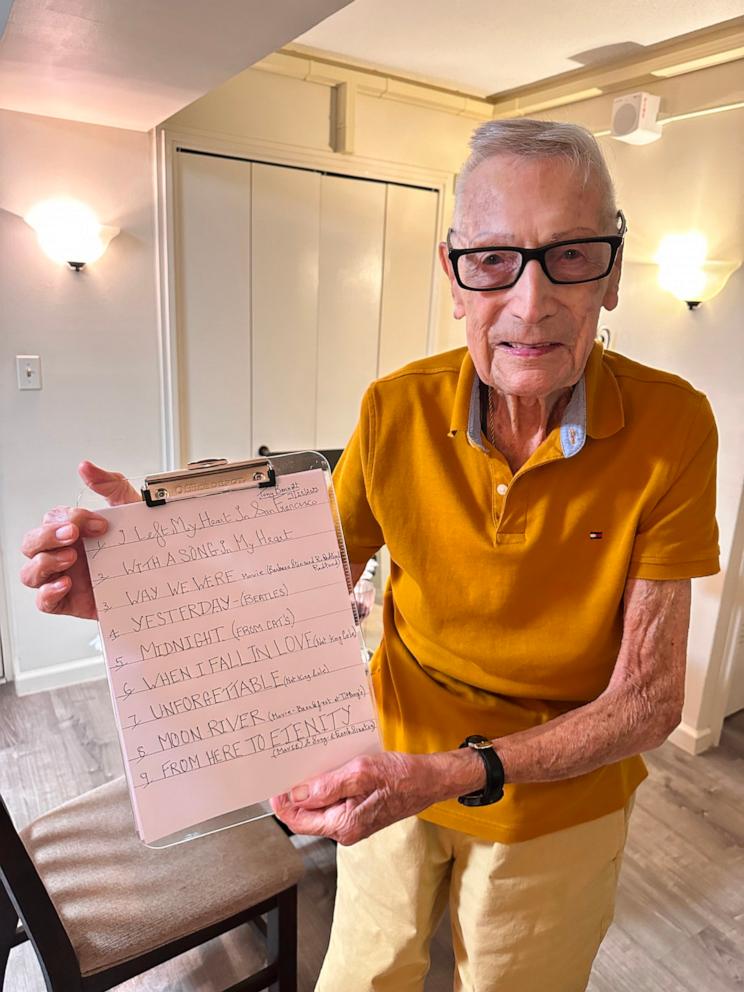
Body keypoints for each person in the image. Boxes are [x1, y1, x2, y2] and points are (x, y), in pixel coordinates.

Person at [20, 119, 719, 992]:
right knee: (363, 975)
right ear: (455, 277)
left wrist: (461, 771)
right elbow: (301, 592)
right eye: (495, 259)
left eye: (570, 255)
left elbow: (649, 703)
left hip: (559, 797)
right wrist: (139, 587)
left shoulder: (675, 426)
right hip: (388, 757)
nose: (531, 302)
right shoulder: (394, 410)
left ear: (611, 273)